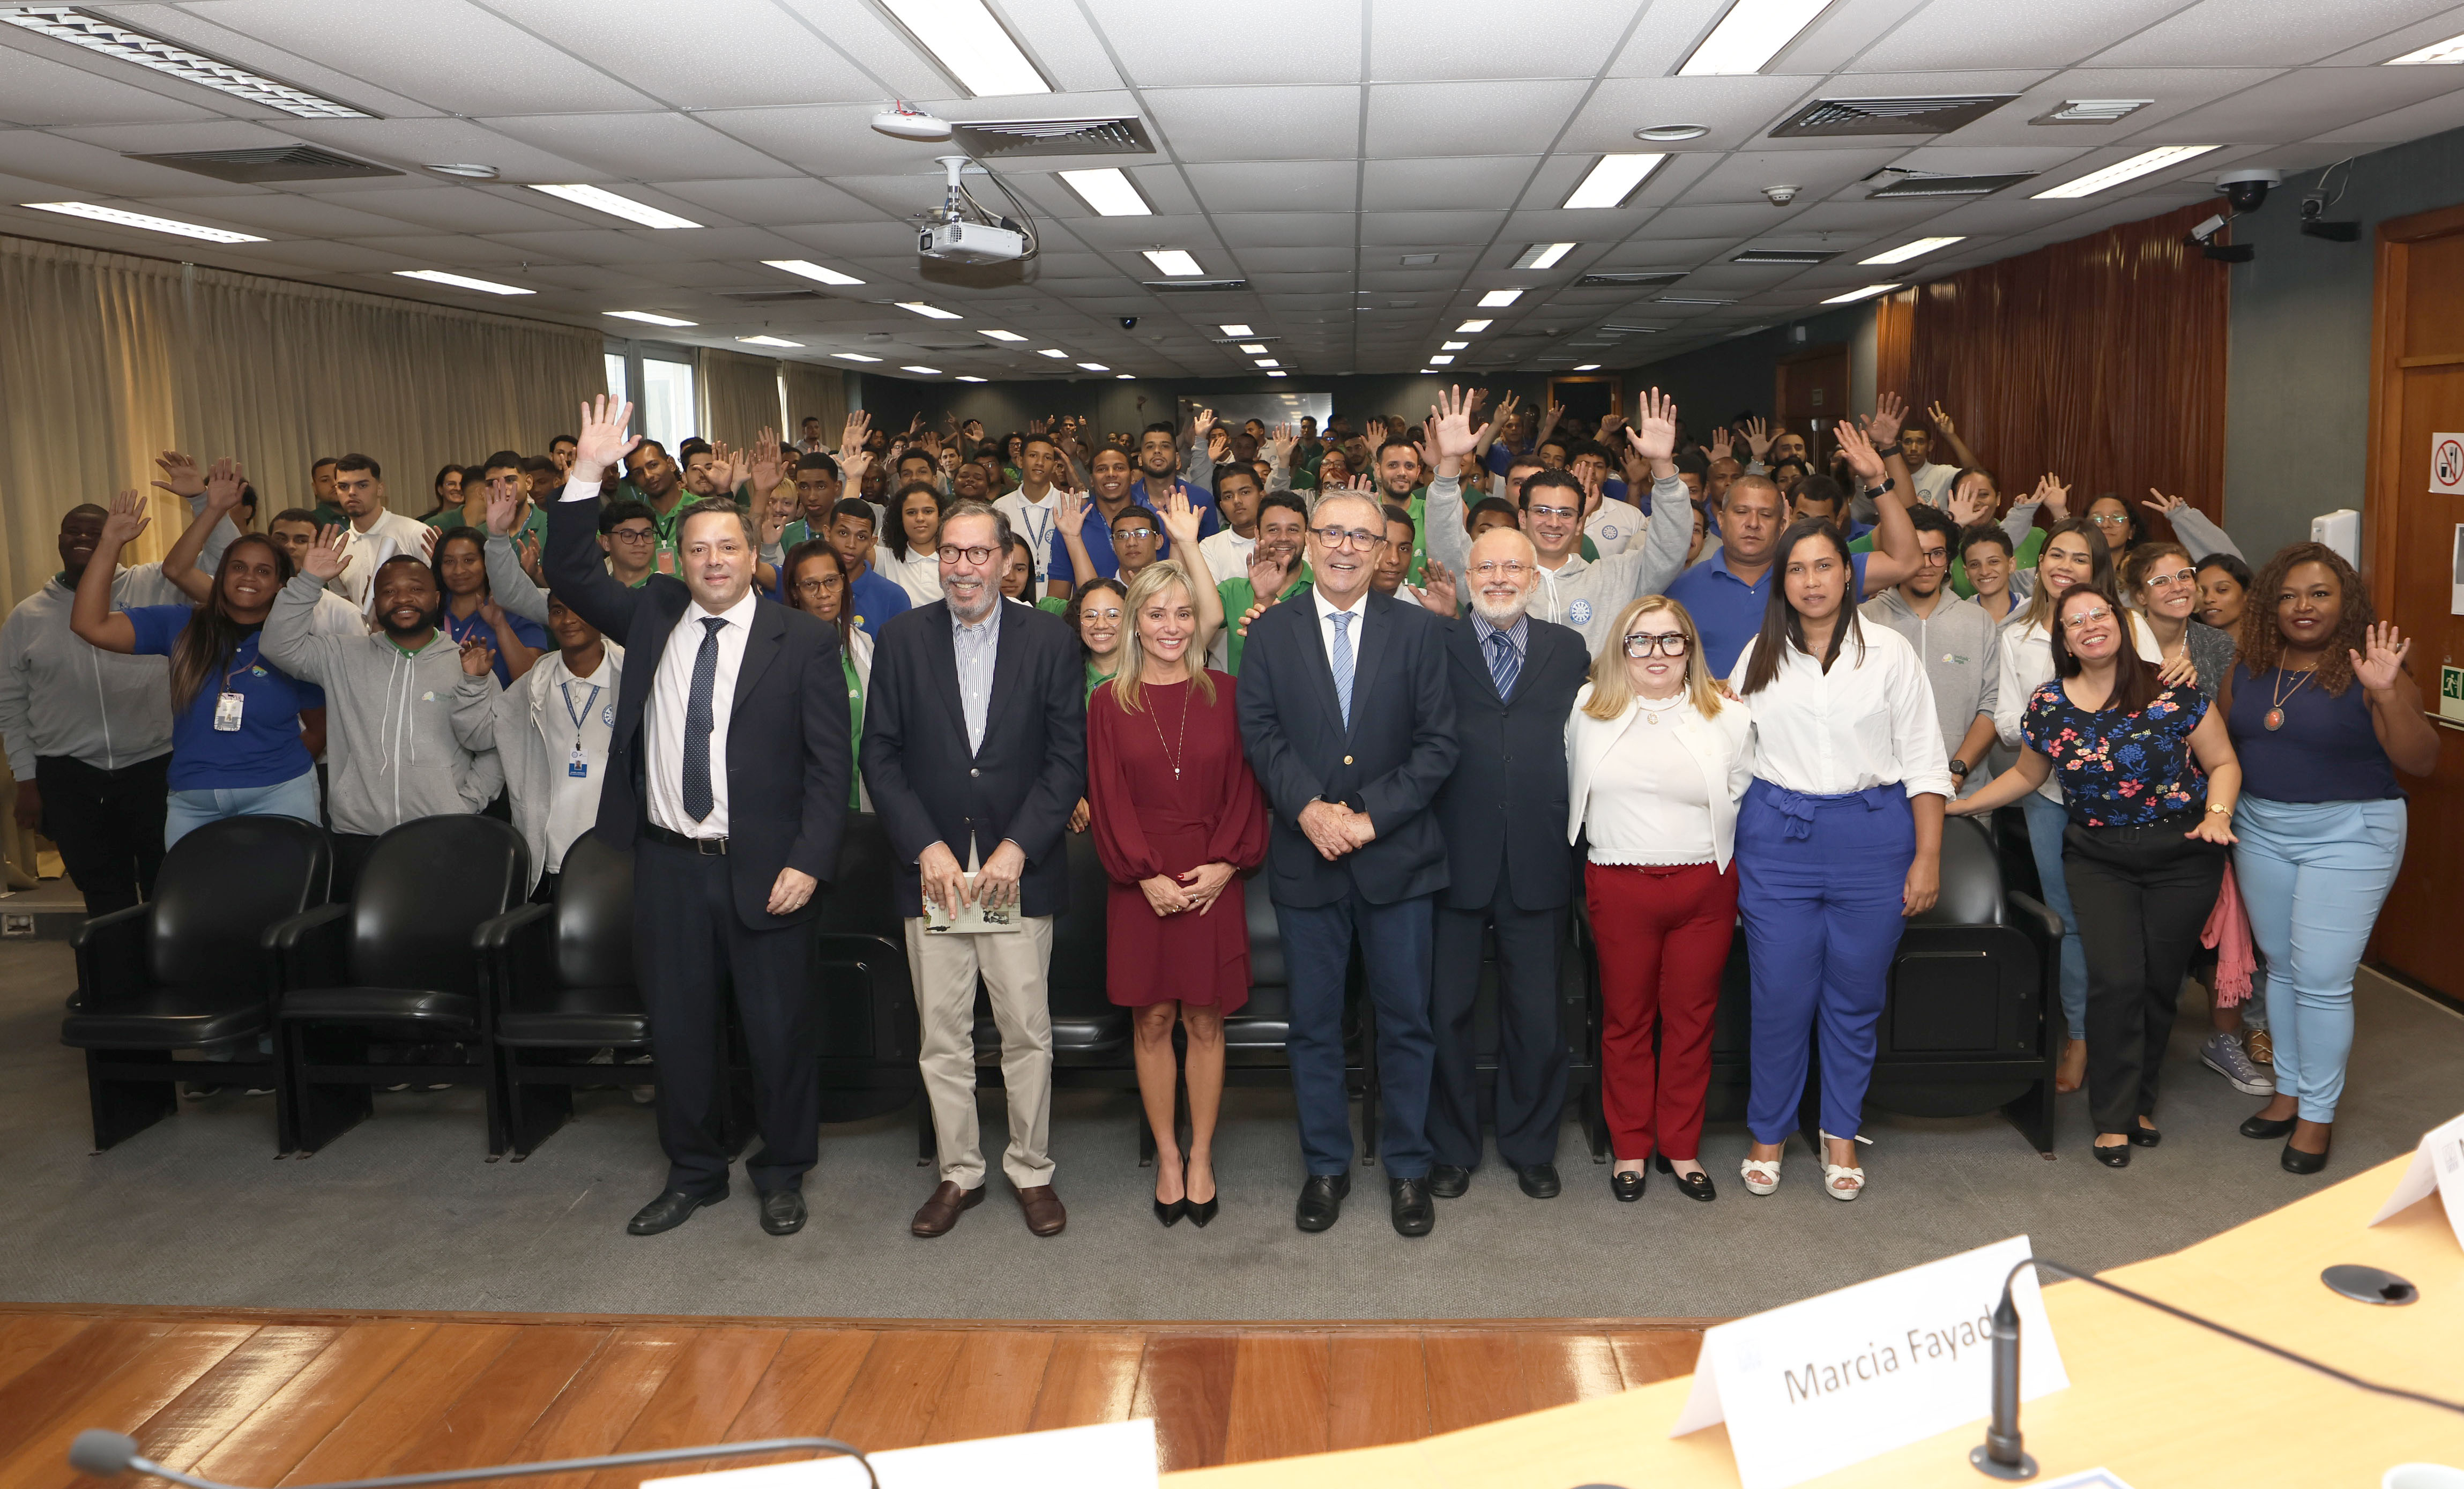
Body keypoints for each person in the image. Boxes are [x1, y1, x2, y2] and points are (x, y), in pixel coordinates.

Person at [547, 396, 851, 1238]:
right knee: (678, 1029)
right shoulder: (650, 615)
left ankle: (783, 1169)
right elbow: (568, 571)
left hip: (769, 867)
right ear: (675, 558)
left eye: (728, 547)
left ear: (755, 554)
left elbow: (833, 767)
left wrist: (810, 859)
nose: (713, 561)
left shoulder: (805, 641)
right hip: (670, 865)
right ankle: (694, 1171)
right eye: (697, 548)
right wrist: (586, 471)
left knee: (777, 1029)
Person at [1951, 584, 2242, 1166]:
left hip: (2183, 854)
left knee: (2161, 983)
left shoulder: (2172, 687)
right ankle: (2111, 1117)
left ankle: (2139, 1102)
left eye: (2098, 614)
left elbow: (2223, 762)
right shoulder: (2048, 704)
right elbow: (2029, 776)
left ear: (2120, 621)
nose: (2089, 625)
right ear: (2062, 640)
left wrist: (2216, 815)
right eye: (2073, 621)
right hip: (2098, 856)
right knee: (2116, 980)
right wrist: (1956, 807)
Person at [1237, 487, 1459, 1238]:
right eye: (1330, 532)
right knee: (1316, 1025)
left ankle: (1406, 1168)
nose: (1343, 547)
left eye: (1361, 537)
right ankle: (1325, 1165)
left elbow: (1438, 747)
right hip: (1307, 861)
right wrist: (1307, 808)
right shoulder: (1270, 633)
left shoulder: (1421, 632)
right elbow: (1260, 732)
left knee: (1405, 1022)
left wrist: (1367, 817)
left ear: (1382, 548)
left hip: (1396, 861)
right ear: (1308, 542)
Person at [863, 498, 1082, 1240]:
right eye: (951, 554)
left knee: (1026, 1030)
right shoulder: (900, 640)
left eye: (977, 553)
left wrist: (1019, 846)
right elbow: (880, 756)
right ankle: (959, 1171)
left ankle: (1030, 1168)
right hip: (937, 878)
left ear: (1004, 557)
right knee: (943, 1035)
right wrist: (924, 845)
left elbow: (1065, 759)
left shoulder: (1050, 640)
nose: (963, 567)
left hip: (1011, 872)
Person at [1730, 520, 1950, 1201]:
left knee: (1855, 999)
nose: (1812, 581)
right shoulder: (1758, 655)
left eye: (1825, 567)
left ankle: (1840, 1135)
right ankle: (1767, 1133)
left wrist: (1928, 858)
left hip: (1871, 838)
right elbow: (1729, 754)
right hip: (1778, 839)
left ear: (1848, 575)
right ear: (1783, 583)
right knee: (1778, 997)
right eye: (1797, 570)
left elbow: (1923, 760)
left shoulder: (1887, 654)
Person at [2223, 545, 2438, 1174]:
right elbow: (2224, 742)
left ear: (2345, 602)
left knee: (2320, 978)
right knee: (2284, 969)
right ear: (2269, 604)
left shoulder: (2369, 668)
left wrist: (2388, 691)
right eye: (2288, 595)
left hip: (2350, 832)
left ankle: (2316, 1116)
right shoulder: (2252, 663)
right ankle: (2287, 1093)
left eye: (2318, 593)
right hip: (2261, 827)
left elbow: (2421, 760)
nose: (2302, 606)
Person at [1085, 560, 1269, 1228]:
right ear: (1137, 620)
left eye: (1183, 613)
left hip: (1211, 877)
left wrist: (1226, 865)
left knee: (1205, 1020)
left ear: (1199, 622)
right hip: (1141, 882)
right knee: (1153, 1020)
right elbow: (1106, 799)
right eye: (1157, 613)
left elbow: (1248, 788)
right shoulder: (1108, 701)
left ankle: (1201, 1155)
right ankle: (1167, 1154)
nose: (1171, 626)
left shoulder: (1228, 691)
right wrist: (1144, 875)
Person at [1423, 526, 1591, 1201]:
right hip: (1450, 858)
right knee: (1446, 1012)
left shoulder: (1567, 648)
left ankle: (1531, 1145)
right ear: (1466, 575)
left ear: (1534, 574)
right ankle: (1452, 1148)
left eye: (1511, 566)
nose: (1498, 577)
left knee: (1538, 1015)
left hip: (1539, 855)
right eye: (1486, 566)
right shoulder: (1434, 645)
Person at [1567, 594, 1751, 1202]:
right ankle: (1630, 1148)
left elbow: (1743, 790)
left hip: (1704, 887)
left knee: (1691, 1021)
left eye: (1670, 640)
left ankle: (1681, 1146)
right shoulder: (1586, 710)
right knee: (1625, 1021)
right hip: (1618, 885)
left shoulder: (1726, 715)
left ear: (1689, 649)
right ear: (1621, 649)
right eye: (1640, 640)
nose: (1656, 652)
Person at [0, 474, 239, 913]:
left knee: (166, 884)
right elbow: (11, 704)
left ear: (122, 537)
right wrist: (26, 777)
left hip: (153, 764)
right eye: (76, 531)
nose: (85, 539)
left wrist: (206, 503)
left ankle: (165, 979)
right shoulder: (26, 617)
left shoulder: (155, 586)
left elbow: (230, 572)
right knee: (102, 892)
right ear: (59, 540)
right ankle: (112, 982)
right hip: (69, 775)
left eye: (98, 532)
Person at [69, 480, 323, 850]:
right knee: (198, 905)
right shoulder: (181, 625)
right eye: (237, 567)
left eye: (263, 571)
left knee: (285, 902)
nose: (248, 577)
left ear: (282, 586)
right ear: (221, 576)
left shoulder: (293, 645)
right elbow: (88, 624)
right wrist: (109, 543)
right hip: (194, 800)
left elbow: (319, 727)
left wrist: (274, 771)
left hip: (279, 794)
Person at [265, 531, 502, 899]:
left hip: (444, 831)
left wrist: (466, 803)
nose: (402, 599)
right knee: (362, 944)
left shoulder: (467, 663)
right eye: (389, 591)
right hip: (359, 836)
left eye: (415, 589)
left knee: (443, 941)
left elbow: (494, 747)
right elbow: (278, 645)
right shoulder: (343, 655)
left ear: (436, 598)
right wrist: (308, 581)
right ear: (376, 602)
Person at [1423, 388, 1694, 656]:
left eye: (1565, 514)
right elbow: (1447, 547)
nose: (1554, 522)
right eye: (1542, 511)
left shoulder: (1614, 578)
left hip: (1598, 700)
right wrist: (1448, 467)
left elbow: (1668, 550)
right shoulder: (1495, 579)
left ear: (1579, 522)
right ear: (1523, 518)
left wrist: (1663, 466)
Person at [1991, 516, 2116, 1092]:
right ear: (2039, 564)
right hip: (2045, 795)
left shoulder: (2123, 624)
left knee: (2118, 919)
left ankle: (2123, 1038)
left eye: (2080, 558)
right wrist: (2054, 722)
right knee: (2065, 920)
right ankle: (2081, 1037)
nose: (2064, 565)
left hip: (2120, 802)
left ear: (2098, 570)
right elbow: (2006, 722)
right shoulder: (2015, 636)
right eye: (2055, 555)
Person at [450, 593, 623, 902]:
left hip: (619, 855)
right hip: (548, 860)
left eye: (579, 610)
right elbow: (480, 736)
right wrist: (474, 684)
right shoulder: (534, 683)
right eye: (558, 611)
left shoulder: (632, 675)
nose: (568, 620)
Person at [1860, 505, 2000, 794]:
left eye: (1937, 553)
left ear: (1949, 560)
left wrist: (1958, 770)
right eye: (1915, 553)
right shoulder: (1865, 620)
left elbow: (1992, 703)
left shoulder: (1978, 621)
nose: (1926, 564)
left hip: (1964, 793)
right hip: (1882, 793)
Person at [780, 538, 870, 810]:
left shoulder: (864, 643)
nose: (824, 593)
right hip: (805, 808)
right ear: (795, 592)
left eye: (832, 580)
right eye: (810, 584)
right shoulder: (780, 653)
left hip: (864, 804)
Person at [433, 528, 546, 688]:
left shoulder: (517, 612)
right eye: (449, 562)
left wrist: (501, 626)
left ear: (487, 564)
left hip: (501, 710)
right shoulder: (428, 613)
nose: (458, 570)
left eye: (469, 560)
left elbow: (533, 682)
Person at [325, 455, 433, 607]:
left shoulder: (415, 533)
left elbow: (437, 591)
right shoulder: (337, 548)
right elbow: (343, 607)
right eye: (343, 487)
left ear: (380, 489)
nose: (351, 492)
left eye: (362, 485)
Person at [993, 434, 1067, 591]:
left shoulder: (1068, 505)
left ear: (1055, 466)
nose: (1040, 463)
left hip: (1060, 599)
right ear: (1020, 461)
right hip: (1016, 599)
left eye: (1047, 458)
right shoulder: (1001, 506)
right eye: (1033, 456)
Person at [878, 481, 947, 607]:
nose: (920, 518)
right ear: (900, 518)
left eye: (928, 511)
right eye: (911, 513)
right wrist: (853, 481)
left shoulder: (957, 559)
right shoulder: (885, 558)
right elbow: (848, 536)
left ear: (941, 516)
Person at [2195, 552, 2252, 636]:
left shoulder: (2272, 644)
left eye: (2222, 590)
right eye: (2201, 592)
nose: (2208, 599)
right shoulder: (2187, 647)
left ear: (2247, 594)